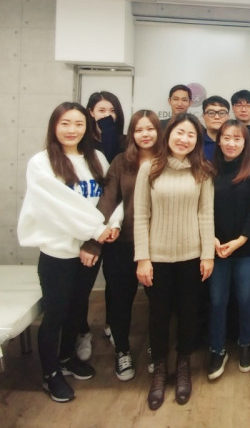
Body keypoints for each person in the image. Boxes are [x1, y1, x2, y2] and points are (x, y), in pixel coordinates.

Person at [17, 102, 114, 403]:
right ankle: (50, 374)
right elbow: (57, 207)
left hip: (90, 251)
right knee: (55, 313)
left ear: (87, 127)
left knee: (77, 308)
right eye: (65, 123)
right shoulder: (41, 162)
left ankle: (67, 357)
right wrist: (95, 231)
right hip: (58, 252)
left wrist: (98, 237)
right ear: (54, 126)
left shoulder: (96, 158)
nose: (72, 130)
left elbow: (110, 198)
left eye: (79, 124)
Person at [134, 113, 215, 410]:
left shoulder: (202, 170)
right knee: (158, 314)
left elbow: (205, 214)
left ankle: (183, 365)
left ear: (197, 141)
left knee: (189, 313)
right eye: (180, 133)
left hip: (192, 256)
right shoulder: (149, 168)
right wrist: (143, 258)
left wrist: (207, 254)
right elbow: (141, 215)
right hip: (157, 257)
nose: (184, 139)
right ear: (168, 135)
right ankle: (159, 368)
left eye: (191, 135)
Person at [81, 110, 162, 381]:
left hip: (158, 245)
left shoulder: (168, 161)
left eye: (150, 128)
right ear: (131, 134)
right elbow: (108, 200)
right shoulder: (120, 162)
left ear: (159, 131)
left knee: (159, 301)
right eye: (139, 130)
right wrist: (94, 241)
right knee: (119, 300)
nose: (145, 134)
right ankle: (122, 351)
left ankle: (157, 348)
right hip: (122, 243)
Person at [207, 119, 250, 380]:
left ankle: (246, 342)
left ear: (245, 143)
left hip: (246, 248)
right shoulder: (208, 171)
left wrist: (240, 240)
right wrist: (211, 239)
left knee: (245, 298)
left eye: (237, 138)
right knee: (217, 300)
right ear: (219, 141)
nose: (231, 143)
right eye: (227, 138)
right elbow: (202, 209)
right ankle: (216, 349)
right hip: (216, 248)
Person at [75, 91, 127, 361]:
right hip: (87, 227)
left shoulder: (123, 142)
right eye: (102, 111)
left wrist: (109, 132)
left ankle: (112, 325)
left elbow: (119, 186)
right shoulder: (81, 145)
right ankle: (82, 332)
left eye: (113, 111)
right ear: (90, 113)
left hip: (116, 224)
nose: (108, 116)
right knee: (81, 286)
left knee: (116, 283)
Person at [202, 95, 230, 161]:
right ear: (203, 117)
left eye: (222, 113)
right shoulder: (196, 142)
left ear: (228, 117)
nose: (217, 117)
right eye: (211, 113)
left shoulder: (234, 143)